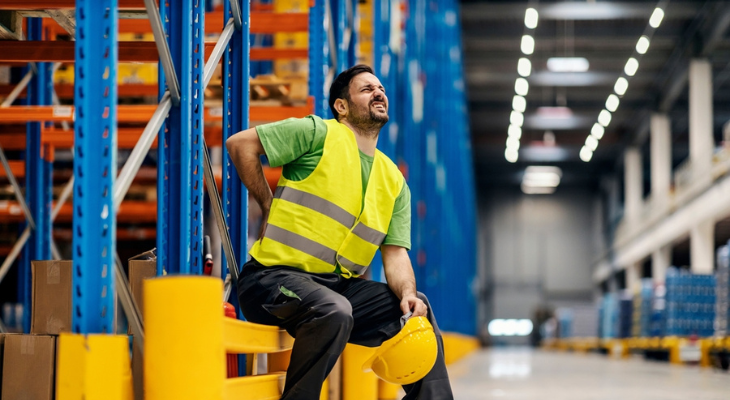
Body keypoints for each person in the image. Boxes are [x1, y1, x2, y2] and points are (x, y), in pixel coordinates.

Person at [226, 64, 454, 400]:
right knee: (334, 309)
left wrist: (406, 292)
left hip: (335, 288)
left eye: (381, 89)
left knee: (416, 308)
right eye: (366, 89)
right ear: (341, 106)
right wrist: (267, 202)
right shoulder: (317, 133)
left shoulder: (393, 181)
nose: (379, 93)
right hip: (271, 282)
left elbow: (395, 254)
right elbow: (239, 144)